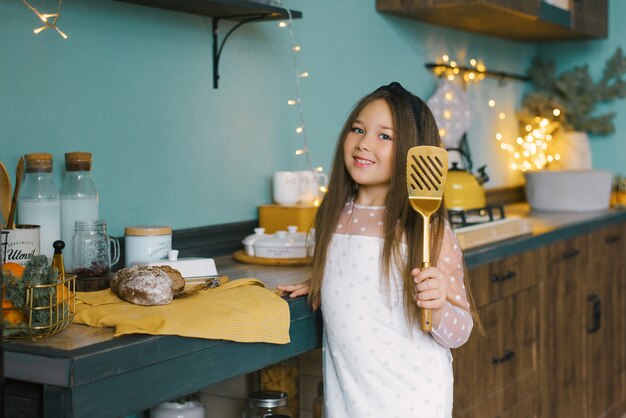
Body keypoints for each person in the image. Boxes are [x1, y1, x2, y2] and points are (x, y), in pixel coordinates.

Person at [277, 82, 481, 418]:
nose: (364, 143)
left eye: (385, 136)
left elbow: (461, 332)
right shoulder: (335, 214)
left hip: (412, 399)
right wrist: (324, 283)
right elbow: (360, 281)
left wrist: (440, 305)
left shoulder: (426, 229)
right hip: (349, 397)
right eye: (358, 129)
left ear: (414, 153)